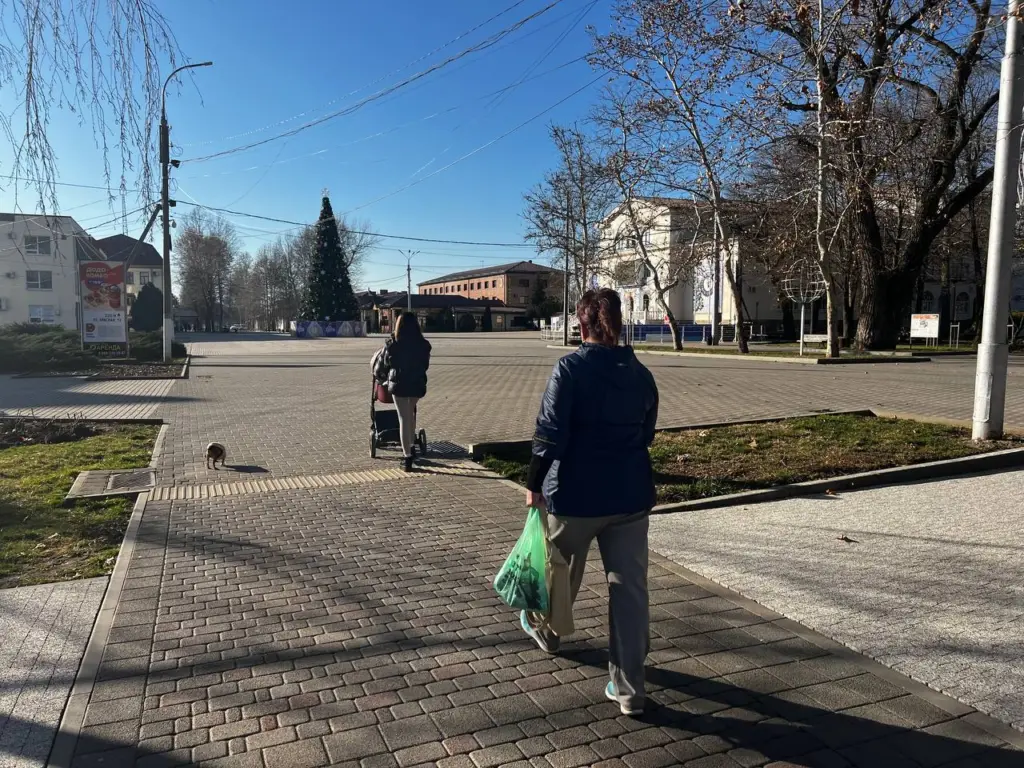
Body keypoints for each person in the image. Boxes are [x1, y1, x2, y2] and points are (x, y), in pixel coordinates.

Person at [523, 288, 658, 717]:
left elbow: (548, 434)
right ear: (618, 325)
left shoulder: (569, 369)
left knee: (558, 570)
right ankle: (629, 690)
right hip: (631, 498)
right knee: (630, 591)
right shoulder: (641, 375)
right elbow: (646, 434)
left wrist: (534, 484)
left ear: (581, 325)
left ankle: (547, 633)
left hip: (576, 497)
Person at [373, 312, 431, 472]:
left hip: (399, 384)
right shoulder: (423, 344)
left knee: (403, 418)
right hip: (417, 384)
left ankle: (407, 458)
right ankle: (411, 446)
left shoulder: (393, 344)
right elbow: (425, 365)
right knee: (410, 415)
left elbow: (385, 364)